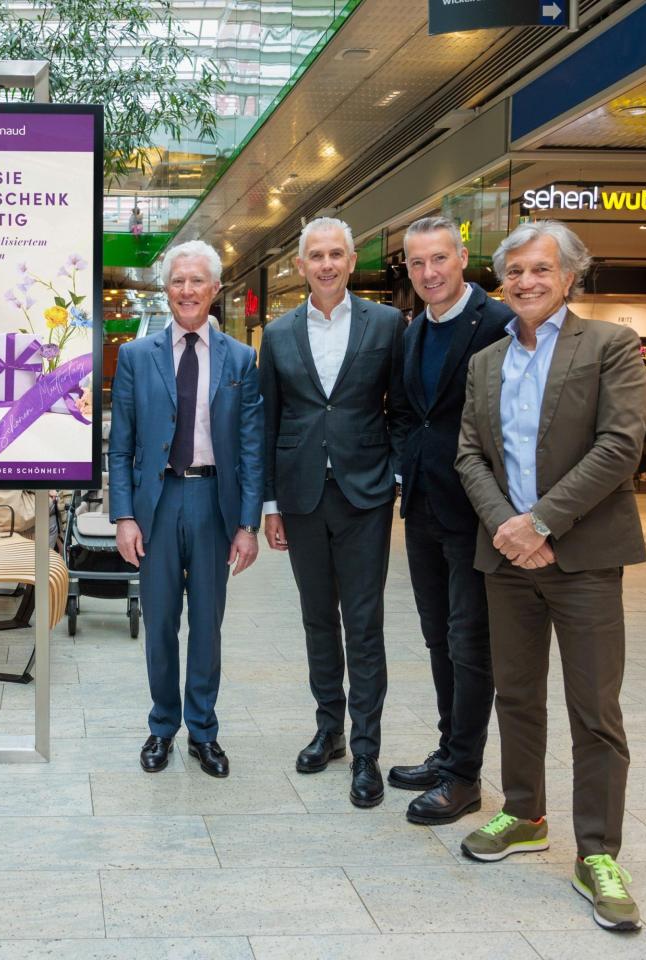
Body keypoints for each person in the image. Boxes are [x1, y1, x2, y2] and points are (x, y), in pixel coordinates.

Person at [454, 219, 646, 932]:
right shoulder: (486, 361)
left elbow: (620, 446)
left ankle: (598, 852)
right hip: (506, 558)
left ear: (570, 276)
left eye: (541, 269)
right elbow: (469, 453)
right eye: (514, 271)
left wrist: (540, 523)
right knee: (516, 693)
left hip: (583, 557)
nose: (526, 281)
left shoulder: (609, 345)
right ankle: (524, 813)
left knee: (594, 708)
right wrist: (508, 526)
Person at [259, 216, 408, 808]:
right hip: (300, 497)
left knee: (364, 623)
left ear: (351, 260)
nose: (326, 264)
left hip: (365, 495)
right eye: (315, 255)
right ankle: (330, 730)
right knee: (317, 618)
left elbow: (403, 407)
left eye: (336, 254)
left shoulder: (387, 324)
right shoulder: (277, 334)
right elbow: (270, 421)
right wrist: (271, 503)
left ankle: (367, 749)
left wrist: (394, 474)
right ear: (300, 266)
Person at [109, 240, 262, 778]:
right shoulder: (136, 356)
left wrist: (248, 524)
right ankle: (161, 726)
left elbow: (251, 447)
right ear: (166, 289)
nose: (187, 290)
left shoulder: (240, 359)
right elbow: (121, 445)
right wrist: (124, 516)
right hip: (158, 502)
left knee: (207, 624)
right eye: (178, 281)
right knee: (159, 621)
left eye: (197, 281)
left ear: (215, 289)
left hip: (214, 503)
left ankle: (203, 730)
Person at [387, 216, 513, 825]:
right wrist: (403, 469)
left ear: (463, 257)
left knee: (469, 642)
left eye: (439, 259)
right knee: (438, 637)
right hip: (422, 509)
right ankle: (448, 751)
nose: (429, 272)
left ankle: (464, 777)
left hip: (476, 512)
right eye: (417, 263)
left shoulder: (498, 323)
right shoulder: (413, 330)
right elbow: (407, 414)